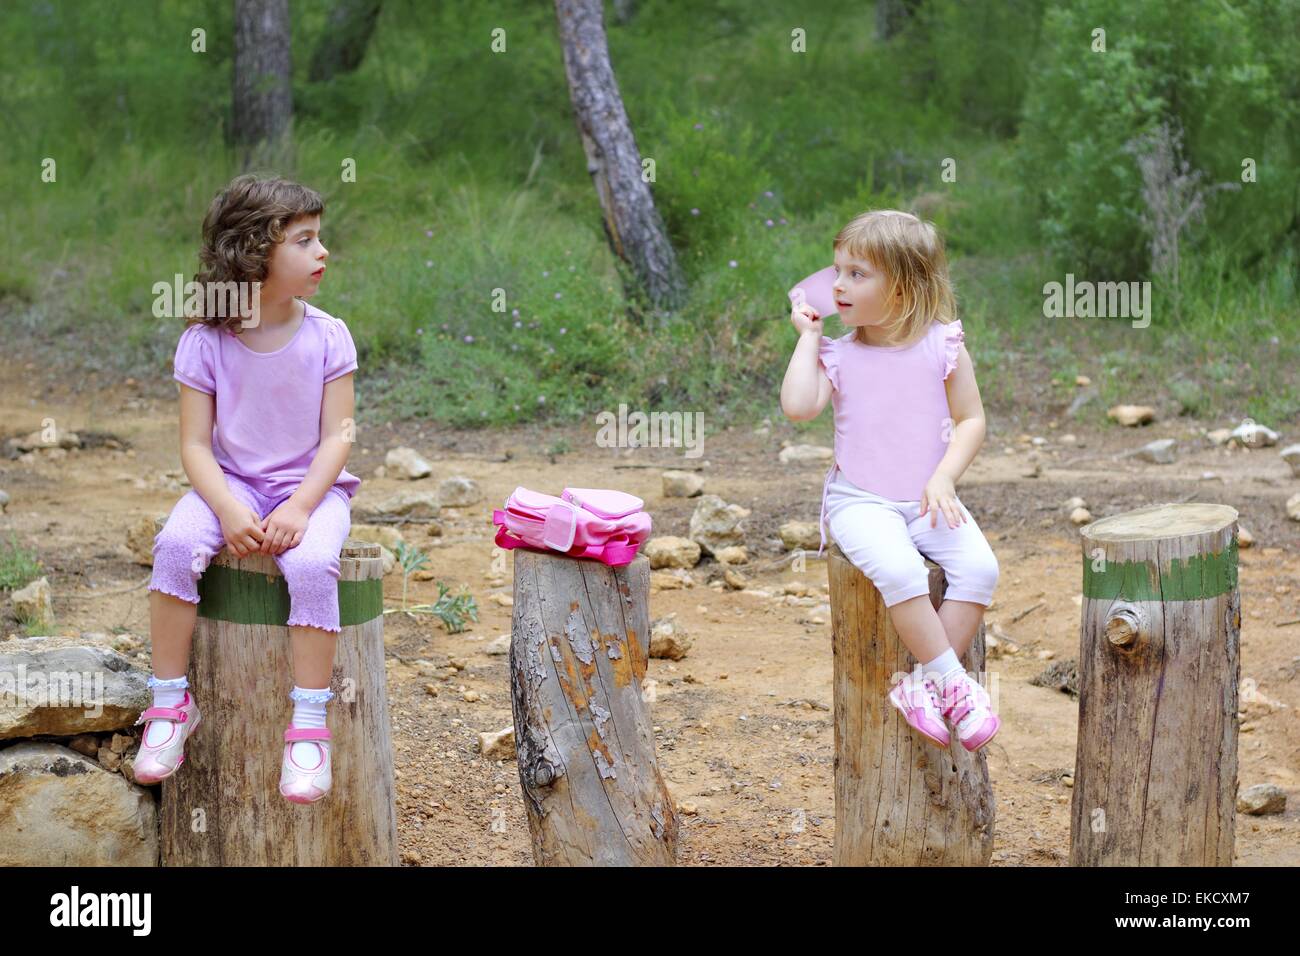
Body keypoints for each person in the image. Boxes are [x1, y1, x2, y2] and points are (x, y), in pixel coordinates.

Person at [140, 174, 359, 802]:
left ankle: (309, 727)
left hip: (311, 490)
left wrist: (300, 504)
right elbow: (194, 447)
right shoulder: (205, 342)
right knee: (176, 545)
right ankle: (169, 707)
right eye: (305, 241)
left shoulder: (327, 335)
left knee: (314, 562)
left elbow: (338, 437)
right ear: (256, 252)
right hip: (228, 486)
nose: (323, 252)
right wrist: (230, 508)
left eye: (321, 238)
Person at [780, 209, 1001, 752]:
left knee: (979, 568)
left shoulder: (942, 344)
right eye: (836, 271)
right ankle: (953, 683)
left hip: (927, 494)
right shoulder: (841, 354)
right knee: (901, 569)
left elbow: (972, 419)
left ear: (902, 288)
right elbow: (798, 407)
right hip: (861, 500)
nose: (836, 285)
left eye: (857, 274)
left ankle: (920, 686)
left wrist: (945, 477)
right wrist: (808, 338)